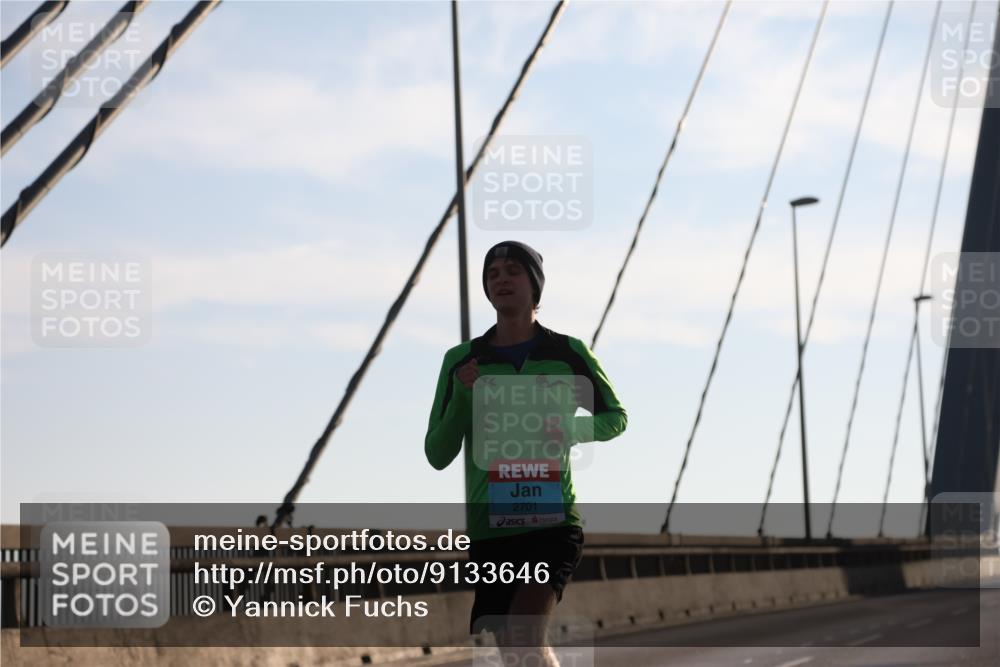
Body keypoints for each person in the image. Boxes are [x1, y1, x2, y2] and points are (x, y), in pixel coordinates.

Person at [424, 240, 627, 666]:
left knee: (523, 634)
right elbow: (437, 453)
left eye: (513, 270)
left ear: (534, 284)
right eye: (492, 273)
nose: (501, 279)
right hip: (491, 527)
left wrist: (570, 427)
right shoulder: (462, 360)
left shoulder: (568, 354)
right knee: (518, 653)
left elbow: (616, 417)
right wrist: (463, 397)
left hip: (553, 522)